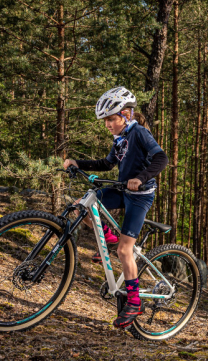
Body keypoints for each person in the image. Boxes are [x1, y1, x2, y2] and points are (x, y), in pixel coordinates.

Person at [63, 86, 168, 329]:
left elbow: (161, 158)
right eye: (105, 120)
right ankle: (110, 240)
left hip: (140, 196)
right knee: (82, 207)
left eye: (111, 119)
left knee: (124, 252)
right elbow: (107, 163)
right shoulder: (120, 139)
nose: (108, 124)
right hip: (123, 190)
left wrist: (140, 178)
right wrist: (79, 163)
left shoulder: (139, 133)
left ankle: (134, 301)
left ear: (126, 115)